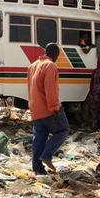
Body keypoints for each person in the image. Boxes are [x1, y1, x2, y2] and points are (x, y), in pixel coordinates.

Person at [27, 43, 69, 175]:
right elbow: (51, 90)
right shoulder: (50, 65)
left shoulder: (33, 65)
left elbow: (29, 87)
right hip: (47, 108)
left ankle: (38, 169)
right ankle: (47, 155)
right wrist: (55, 109)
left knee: (39, 138)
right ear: (55, 54)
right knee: (63, 130)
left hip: (35, 107)